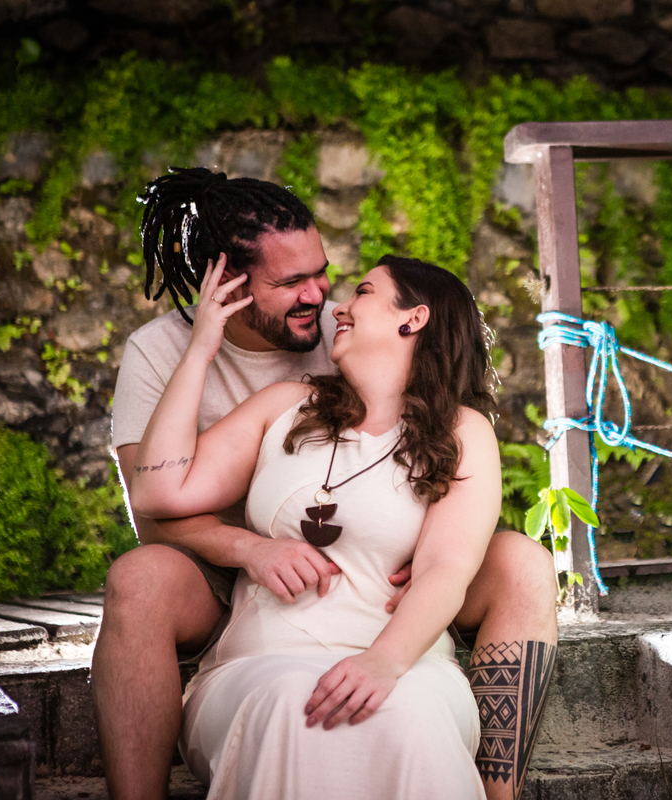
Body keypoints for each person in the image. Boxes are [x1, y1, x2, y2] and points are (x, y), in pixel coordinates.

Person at [94, 168, 558, 800]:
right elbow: (152, 503)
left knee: (521, 567)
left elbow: (446, 556)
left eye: (329, 276)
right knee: (145, 581)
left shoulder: (351, 352)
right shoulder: (176, 359)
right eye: (292, 283)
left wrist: (405, 589)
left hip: (381, 615)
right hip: (223, 578)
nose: (326, 298)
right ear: (228, 282)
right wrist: (251, 548)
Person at [129, 249, 496, 798]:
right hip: (259, 661)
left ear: (413, 318)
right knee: (290, 706)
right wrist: (201, 348)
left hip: (404, 662)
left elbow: (448, 566)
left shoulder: (462, 432)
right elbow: (158, 490)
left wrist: (382, 663)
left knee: (410, 717)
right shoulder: (285, 405)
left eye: (363, 293)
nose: (339, 307)